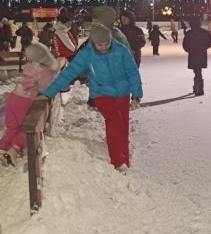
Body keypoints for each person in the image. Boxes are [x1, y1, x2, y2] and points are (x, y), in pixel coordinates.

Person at [42, 25, 142, 174]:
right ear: (93, 42)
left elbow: (132, 72)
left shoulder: (121, 50)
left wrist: (136, 95)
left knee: (123, 125)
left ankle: (125, 160)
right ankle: (118, 161)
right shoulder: (86, 55)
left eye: (107, 44)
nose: (104, 47)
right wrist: (50, 92)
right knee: (114, 121)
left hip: (122, 93)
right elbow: (69, 73)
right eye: (100, 45)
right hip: (101, 93)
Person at [1, 44, 59, 167]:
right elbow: (44, 89)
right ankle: (14, 149)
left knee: (11, 127)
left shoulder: (28, 66)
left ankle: (2, 147)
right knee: (25, 129)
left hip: (13, 98)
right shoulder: (46, 70)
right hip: (24, 101)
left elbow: (24, 82)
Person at [182, 18, 211, 96]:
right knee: (198, 71)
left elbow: (185, 45)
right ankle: (197, 86)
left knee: (197, 71)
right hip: (202, 54)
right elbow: (210, 44)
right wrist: (203, 48)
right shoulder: (205, 33)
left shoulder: (189, 33)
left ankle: (199, 88)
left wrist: (190, 50)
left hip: (193, 54)